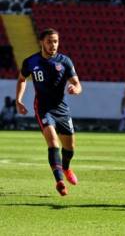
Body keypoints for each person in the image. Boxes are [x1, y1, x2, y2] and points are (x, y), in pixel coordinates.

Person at [16, 28, 82, 196]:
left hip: (62, 109)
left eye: (56, 41)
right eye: (49, 41)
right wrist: (19, 100)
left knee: (70, 148)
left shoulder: (65, 61)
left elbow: (77, 83)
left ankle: (66, 168)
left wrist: (76, 88)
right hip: (43, 108)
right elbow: (22, 79)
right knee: (53, 142)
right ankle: (59, 180)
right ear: (41, 42)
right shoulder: (31, 61)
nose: (53, 45)